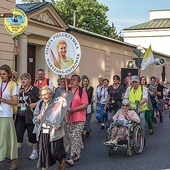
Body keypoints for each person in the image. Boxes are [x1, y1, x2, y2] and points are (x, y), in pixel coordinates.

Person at [33, 86, 66, 170]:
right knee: (43, 156)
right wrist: (38, 118)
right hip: (43, 133)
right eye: (42, 95)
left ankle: (62, 161)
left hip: (55, 134)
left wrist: (58, 124)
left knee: (56, 152)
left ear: (51, 94)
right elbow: (34, 119)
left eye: (46, 94)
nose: (44, 96)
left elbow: (63, 119)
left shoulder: (57, 104)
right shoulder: (40, 104)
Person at [65, 74, 88, 166]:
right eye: (71, 80)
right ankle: (77, 154)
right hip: (69, 118)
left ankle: (71, 158)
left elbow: (85, 104)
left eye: (74, 80)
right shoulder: (68, 91)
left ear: (78, 82)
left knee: (75, 135)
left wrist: (74, 109)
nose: (72, 81)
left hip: (79, 118)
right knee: (72, 137)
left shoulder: (82, 91)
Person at [15, 73, 40, 160]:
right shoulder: (19, 89)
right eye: (22, 79)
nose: (23, 81)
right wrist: (17, 94)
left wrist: (35, 104)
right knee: (18, 133)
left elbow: (42, 99)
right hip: (20, 115)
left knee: (32, 135)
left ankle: (35, 152)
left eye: (25, 79)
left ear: (30, 80)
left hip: (30, 116)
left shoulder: (34, 89)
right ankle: (14, 153)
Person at [0, 64, 19, 170]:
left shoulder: (13, 85)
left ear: (8, 74)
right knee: (2, 138)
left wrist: (3, 100)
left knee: (9, 137)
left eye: (4, 74)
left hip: (6, 114)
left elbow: (15, 101)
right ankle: (5, 155)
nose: (2, 76)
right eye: (0, 74)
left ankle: (14, 158)